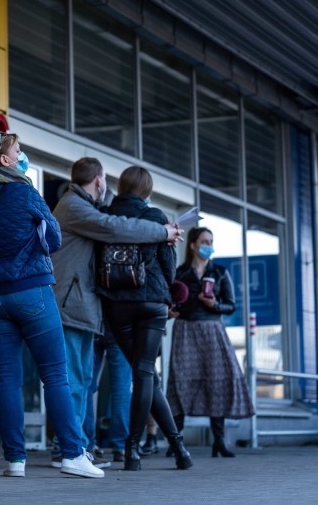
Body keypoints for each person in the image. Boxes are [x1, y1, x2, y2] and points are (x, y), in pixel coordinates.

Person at [0, 132, 104, 479]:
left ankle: (15, 460)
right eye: (18, 151)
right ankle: (73, 454)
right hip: (32, 292)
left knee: (7, 379)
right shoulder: (25, 191)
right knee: (56, 375)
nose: (22, 155)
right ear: (5, 160)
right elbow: (54, 238)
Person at [49, 157, 181, 468]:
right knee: (89, 379)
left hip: (92, 304)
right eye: (103, 181)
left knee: (84, 378)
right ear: (98, 181)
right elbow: (114, 227)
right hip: (76, 303)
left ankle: (78, 446)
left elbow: (112, 221)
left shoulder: (89, 206)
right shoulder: (76, 207)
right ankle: (71, 448)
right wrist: (163, 232)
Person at [98, 166, 192, 471]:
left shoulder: (105, 215)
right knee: (145, 373)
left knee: (143, 373)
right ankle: (154, 448)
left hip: (116, 303)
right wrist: (170, 294)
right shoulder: (155, 217)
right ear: (147, 191)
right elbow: (168, 263)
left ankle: (144, 452)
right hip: (151, 300)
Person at [167, 227, 255, 457]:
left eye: (212, 241)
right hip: (186, 330)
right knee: (181, 383)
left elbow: (231, 305)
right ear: (193, 245)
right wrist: (171, 310)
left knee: (217, 381)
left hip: (213, 329)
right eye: (205, 241)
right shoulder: (180, 273)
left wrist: (213, 305)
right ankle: (177, 442)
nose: (209, 245)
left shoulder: (220, 272)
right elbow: (171, 300)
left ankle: (219, 441)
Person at [84, 324, 131, 463]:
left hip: (93, 322)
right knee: (121, 388)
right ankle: (120, 446)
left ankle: (87, 444)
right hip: (119, 323)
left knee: (87, 385)